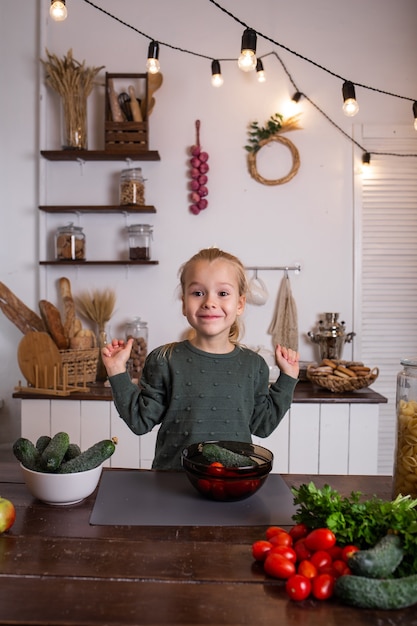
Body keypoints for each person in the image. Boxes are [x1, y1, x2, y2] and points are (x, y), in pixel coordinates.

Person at [102, 247, 300, 470]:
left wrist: (288, 378)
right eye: (198, 293)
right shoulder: (163, 360)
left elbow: (263, 425)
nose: (209, 302)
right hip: (172, 484)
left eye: (222, 293)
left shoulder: (254, 365)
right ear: (184, 304)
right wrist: (118, 371)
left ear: (240, 304)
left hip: (233, 484)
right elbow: (140, 422)